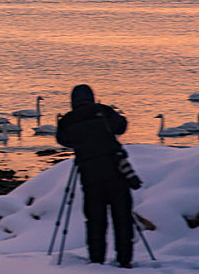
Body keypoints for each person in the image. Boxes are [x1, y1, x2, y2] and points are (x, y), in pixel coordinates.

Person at [56, 84, 141, 268]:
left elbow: (62, 140)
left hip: (90, 178)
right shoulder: (103, 111)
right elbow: (121, 127)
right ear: (92, 97)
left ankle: (96, 260)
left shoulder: (68, 120)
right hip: (116, 173)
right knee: (122, 217)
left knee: (95, 219)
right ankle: (124, 260)